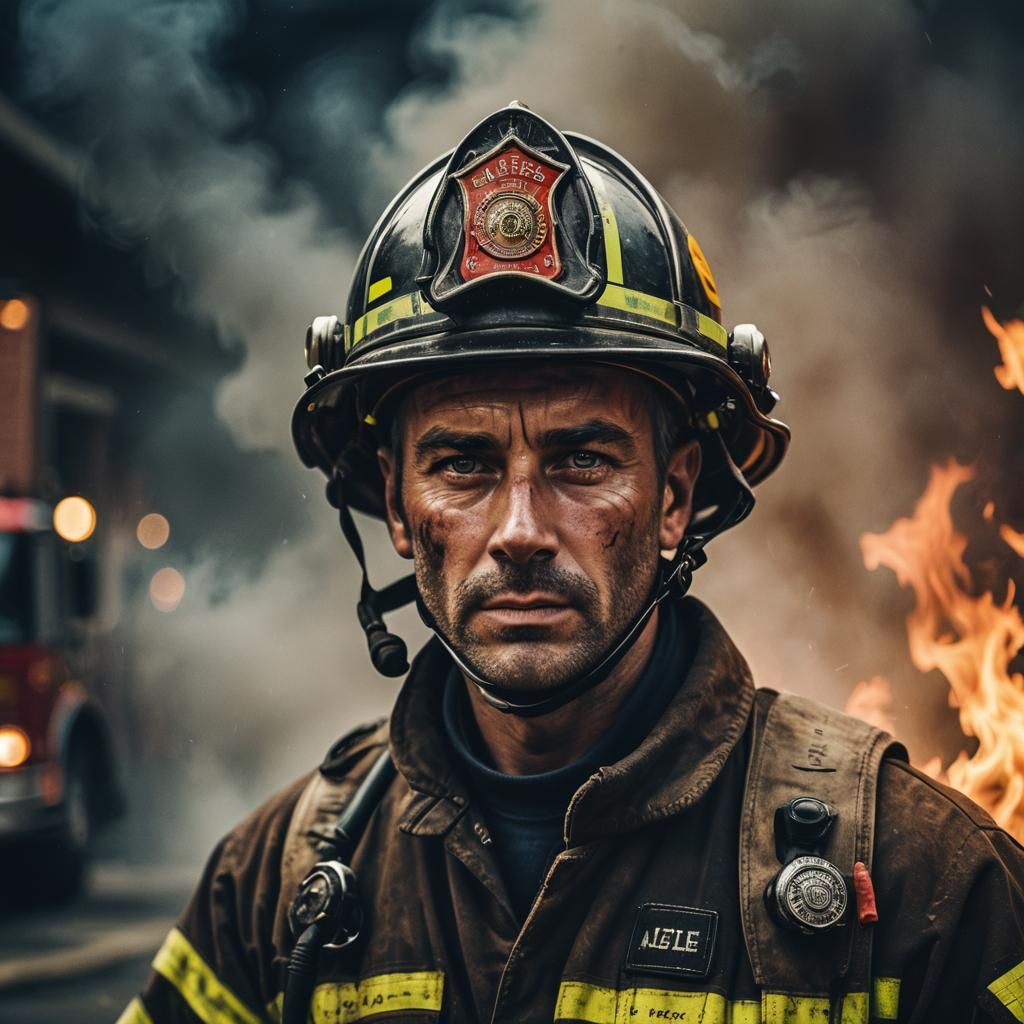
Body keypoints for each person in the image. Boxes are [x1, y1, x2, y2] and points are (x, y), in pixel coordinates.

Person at [119, 104, 1024, 1024]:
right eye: (463, 464)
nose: (518, 529)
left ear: (674, 498)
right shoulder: (272, 888)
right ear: (396, 505)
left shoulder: (923, 879)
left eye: (581, 460)